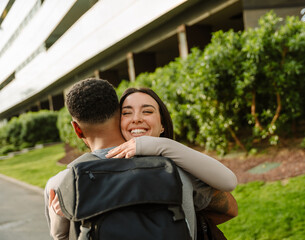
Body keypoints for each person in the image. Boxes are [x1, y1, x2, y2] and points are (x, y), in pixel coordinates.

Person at [45, 79, 237, 239]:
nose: (136, 118)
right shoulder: (179, 170)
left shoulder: (61, 183)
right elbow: (230, 208)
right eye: (128, 112)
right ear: (118, 116)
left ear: (76, 129)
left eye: (147, 111)